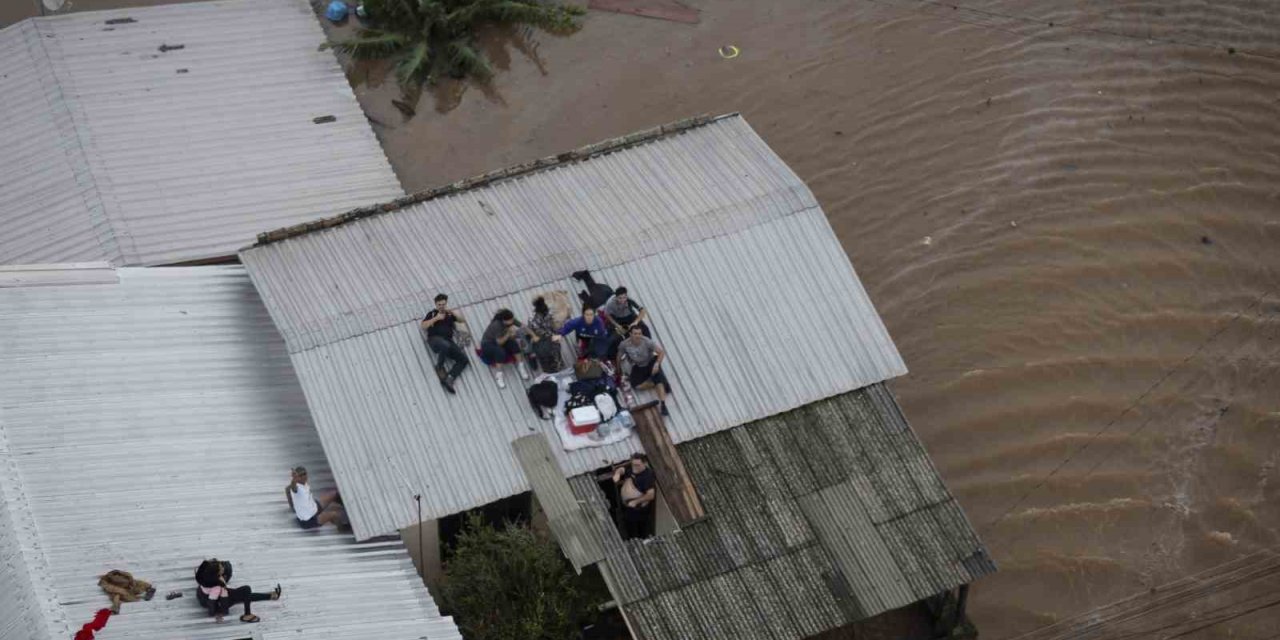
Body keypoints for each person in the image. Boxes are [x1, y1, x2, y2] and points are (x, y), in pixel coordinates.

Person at [194, 559, 281, 624]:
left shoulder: (205, 577)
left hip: (208, 596)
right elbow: (212, 603)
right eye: (221, 568)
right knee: (246, 590)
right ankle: (247, 615)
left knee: (245, 595)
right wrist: (218, 613)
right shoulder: (216, 588)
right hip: (221, 601)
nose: (222, 567)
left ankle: (271, 596)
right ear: (216, 573)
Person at [615, 324, 671, 416]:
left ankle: (663, 405)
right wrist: (618, 369)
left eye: (639, 334)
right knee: (636, 386)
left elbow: (661, 352)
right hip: (638, 366)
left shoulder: (647, 342)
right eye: (635, 334)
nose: (638, 336)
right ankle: (657, 384)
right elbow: (619, 356)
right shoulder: (625, 344)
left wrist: (657, 364)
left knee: (658, 380)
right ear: (630, 334)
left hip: (650, 362)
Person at [421, 293, 468, 394]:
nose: (441, 306)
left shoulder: (449, 314)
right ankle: (440, 366)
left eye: (443, 304)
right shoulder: (432, 314)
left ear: (446, 304)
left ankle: (449, 378)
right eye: (439, 304)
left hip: (448, 341)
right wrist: (436, 318)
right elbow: (423, 326)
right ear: (436, 304)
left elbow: (462, 320)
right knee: (444, 345)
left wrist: (453, 312)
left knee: (464, 360)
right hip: (435, 339)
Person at [480, 309, 531, 389]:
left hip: (502, 340)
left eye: (512, 319)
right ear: (504, 320)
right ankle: (499, 375)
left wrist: (534, 335)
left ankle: (521, 367)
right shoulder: (496, 325)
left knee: (514, 344)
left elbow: (523, 326)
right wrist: (508, 333)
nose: (512, 321)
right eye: (510, 320)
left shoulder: (511, 320)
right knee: (500, 352)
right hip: (488, 344)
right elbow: (499, 342)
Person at [612, 453, 657, 540]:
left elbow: (651, 495)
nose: (635, 467)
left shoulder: (647, 476)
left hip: (639, 509)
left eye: (637, 465)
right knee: (629, 528)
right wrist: (617, 474)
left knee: (641, 532)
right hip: (628, 506)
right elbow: (622, 469)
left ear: (644, 463)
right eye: (633, 464)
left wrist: (635, 502)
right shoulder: (632, 469)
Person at [526, 296, 564, 373]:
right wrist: (552, 336)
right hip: (540, 342)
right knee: (547, 359)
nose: (546, 312)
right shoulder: (532, 319)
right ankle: (551, 371)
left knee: (557, 353)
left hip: (551, 340)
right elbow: (539, 332)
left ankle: (558, 366)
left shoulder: (548, 313)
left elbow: (552, 326)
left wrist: (557, 334)